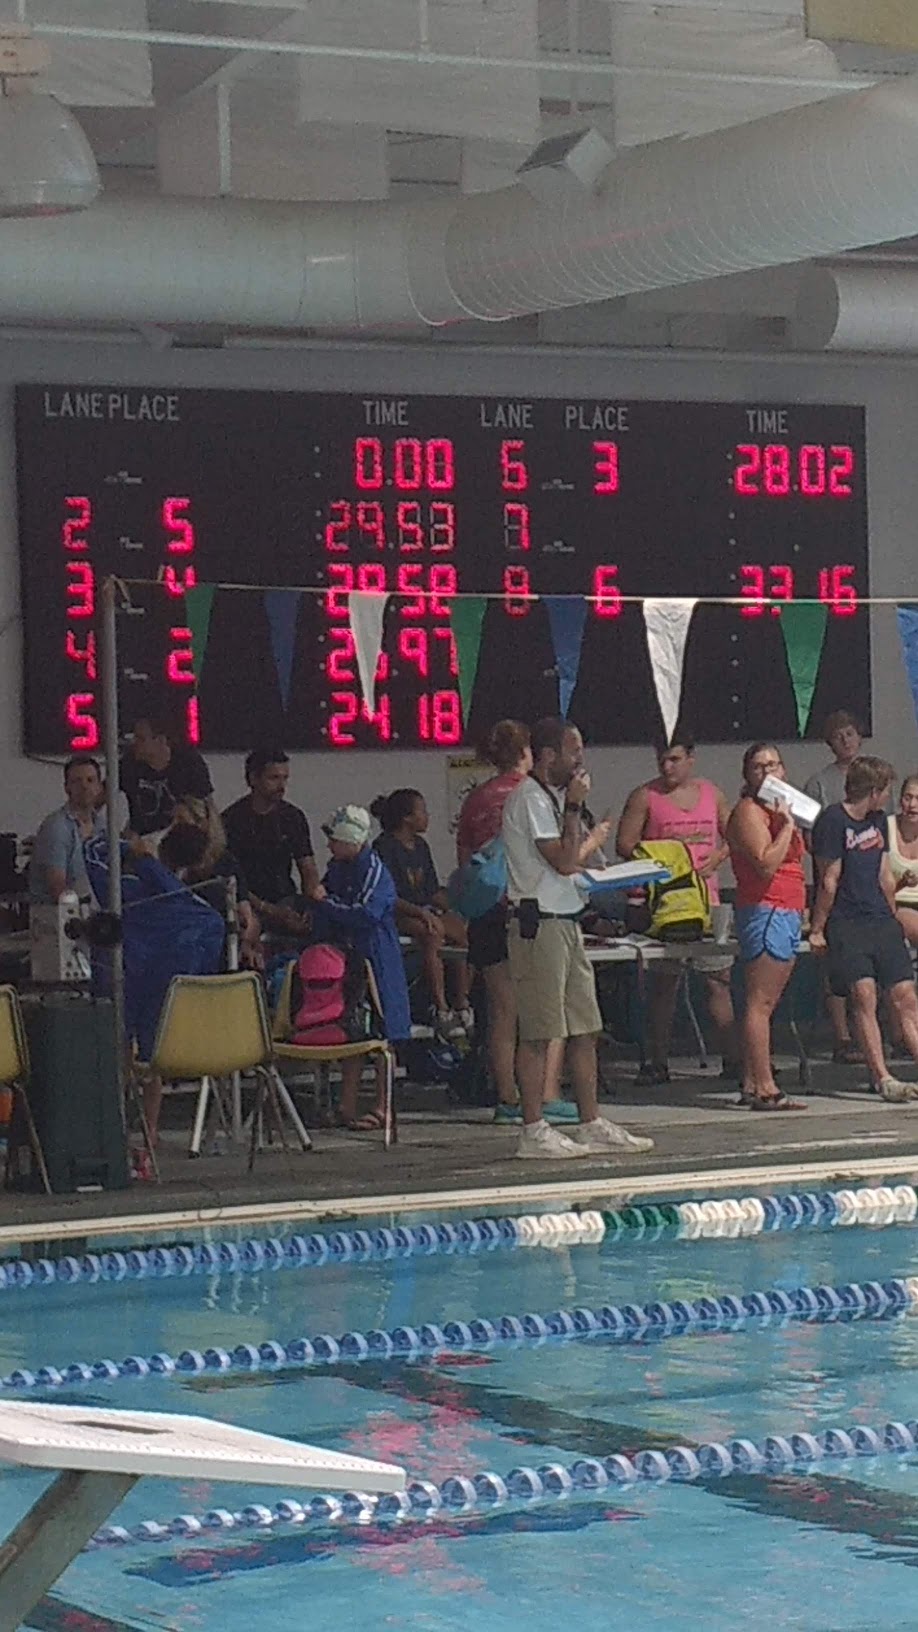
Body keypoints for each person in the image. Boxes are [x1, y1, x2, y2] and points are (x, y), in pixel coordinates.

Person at [502, 715, 654, 1160]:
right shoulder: (530, 798)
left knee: (586, 1027)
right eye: (574, 751)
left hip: (567, 921)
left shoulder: (550, 797)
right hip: (539, 925)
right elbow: (565, 862)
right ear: (549, 755)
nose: (581, 760)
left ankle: (590, 1122)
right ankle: (533, 1128)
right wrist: (573, 808)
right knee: (539, 1032)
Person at [83, 827, 226, 1155]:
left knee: (118, 1056)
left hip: (123, 980)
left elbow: (92, 855)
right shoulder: (198, 909)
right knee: (152, 1062)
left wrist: (128, 847)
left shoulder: (127, 890)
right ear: (195, 864)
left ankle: (115, 1126)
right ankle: (149, 1129)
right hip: (163, 994)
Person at [615, 733, 738, 1084]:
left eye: (675, 759)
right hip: (664, 904)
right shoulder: (645, 796)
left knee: (718, 981)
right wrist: (660, 860)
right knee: (664, 985)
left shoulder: (712, 794)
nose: (667, 767)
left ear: (691, 759)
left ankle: (734, 1059)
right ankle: (657, 1061)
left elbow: (735, 834)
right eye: (662, 760)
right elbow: (625, 844)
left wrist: (717, 857)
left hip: (706, 900)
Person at [810, 756, 918, 1102]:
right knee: (864, 994)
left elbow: (884, 873)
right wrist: (817, 927)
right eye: (886, 791)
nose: (888, 798)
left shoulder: (876, 821)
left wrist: (891, 913)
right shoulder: (833, 820)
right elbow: (829, 879)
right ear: (873, 791)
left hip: (880, 918)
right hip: (847, 920)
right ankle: (882, 1076)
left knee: (905, 995)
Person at [312, 805, 411, 1131]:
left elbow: (364, 913)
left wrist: (325, 904)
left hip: (378, 959)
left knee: (384, 1036)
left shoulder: (374, 871)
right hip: (349, 958)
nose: (329, 845)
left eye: (334, 839)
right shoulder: (338, 868)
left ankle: (384, 1107)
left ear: (352, 840)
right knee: (351, 1032)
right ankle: (347, 1105)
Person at [727, 743, 807, 1111]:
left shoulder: (780, 809)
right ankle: (764, 1085)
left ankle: (751, 1080)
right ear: (748, 774)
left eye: (773, 765)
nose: (768, 772)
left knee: (766, 1003)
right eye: (759, 767)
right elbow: (765, 863)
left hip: (787, 907)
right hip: (767, 907)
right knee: (760, 1002)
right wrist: (787, 826)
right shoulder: (749, 811)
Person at [803, 710, 884, 1065]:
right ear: (829, 743)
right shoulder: (819, 783)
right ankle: (843, 1035)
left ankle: (885, 1033)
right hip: (834, 883)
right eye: (838, 736)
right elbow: (810, 836)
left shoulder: (877, 776)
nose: (846, 740)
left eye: (850, 733)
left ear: (860, 736)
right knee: (836, 967)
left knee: (874, 969)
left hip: (870, 885)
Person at [372, 788, 472, 1040]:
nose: (427, 816)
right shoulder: (384, 847)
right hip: (398, 913)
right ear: (407, 818)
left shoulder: (421, 846)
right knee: (432, 933)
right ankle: (441, 1008)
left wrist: (457, 906)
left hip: (424, 910)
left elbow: (431, 890)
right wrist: (422, 913)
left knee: (460, 931)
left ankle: (462, 1004)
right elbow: (388, 896)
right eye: (423, 811)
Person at [222, 748, 320, 933]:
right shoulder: (231, 820)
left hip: (286, 900)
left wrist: (312, 906)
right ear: (253, 779)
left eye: (285, 778)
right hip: (246, 903)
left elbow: (308, 867)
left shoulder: (293, 817)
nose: (281, 785)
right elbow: (229, 878)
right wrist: (270, 910)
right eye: (274, 778)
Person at [159, 797, 262, 968]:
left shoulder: (226, 863)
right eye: (172, 821)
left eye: (182, 821)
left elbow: (246, 914)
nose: (173, 828)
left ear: (203, 824)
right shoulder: (166, 865)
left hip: (219, 943)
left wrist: (246, 939)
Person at [29, 755, 107, 905]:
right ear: (66, 787)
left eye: (90, 780)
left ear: (99, 787)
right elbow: (57, 887)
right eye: (77, 781)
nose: (84, 786)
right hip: (56, 913)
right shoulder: (56, 827)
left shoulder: (103, 826)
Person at [119, 716, 213, 837]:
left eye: (141, 739)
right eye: (134, 737)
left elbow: (205, 807)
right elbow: (104, 794)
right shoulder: (128, 764)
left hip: (183, 836)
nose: (134, 743)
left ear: (160, 740)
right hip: (140, 840)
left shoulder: (188, 761)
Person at [885, 776, 918, 950]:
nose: (912, 804)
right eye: (908, 797)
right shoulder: (885, 828)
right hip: (895, 903)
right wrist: (903, 882)